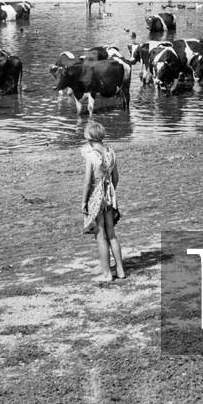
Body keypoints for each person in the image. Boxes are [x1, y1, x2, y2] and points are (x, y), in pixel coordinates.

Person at [80, 120, 125, 282]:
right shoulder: (111, 152)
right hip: (109, 195)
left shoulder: (90, 155)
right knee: (112, 234)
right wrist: (110, 193)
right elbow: (116, 178)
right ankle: (120, 269)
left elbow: (87, 181)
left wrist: (84, 201)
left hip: (96, 197)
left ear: (90, 137)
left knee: (100, 236)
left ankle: (106, 273)